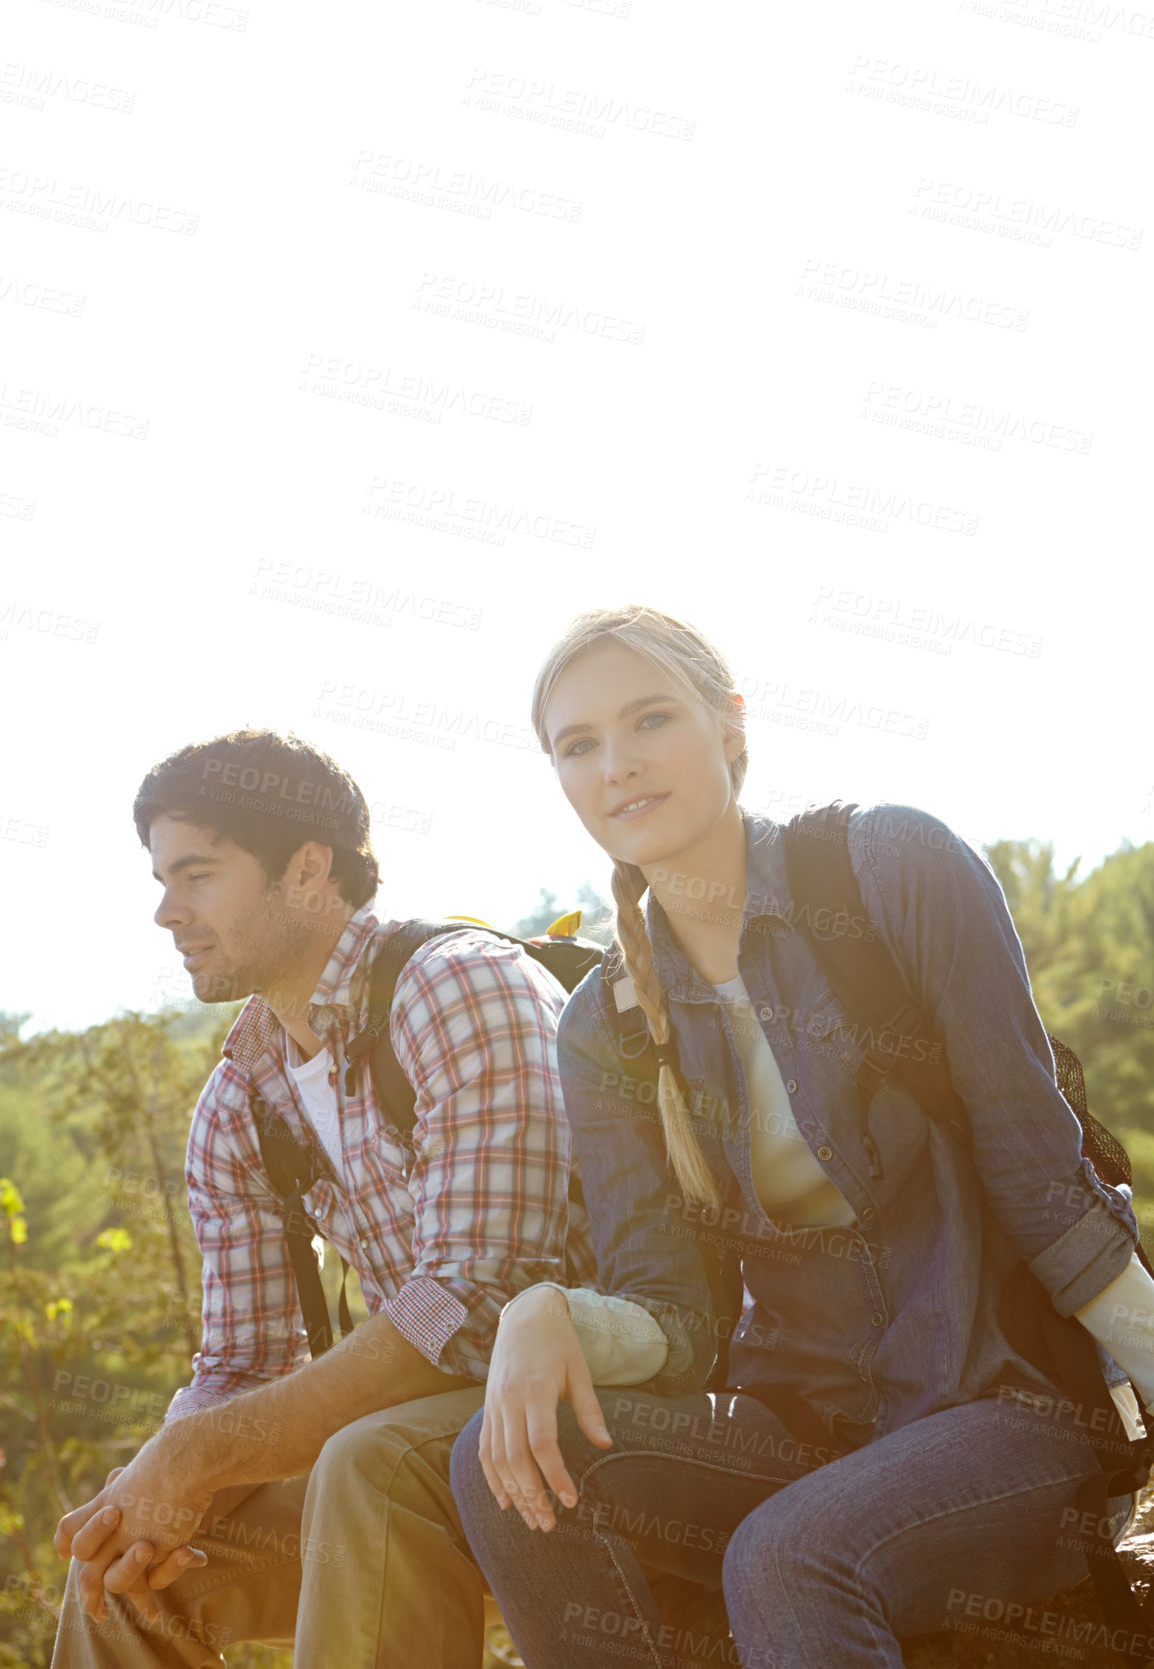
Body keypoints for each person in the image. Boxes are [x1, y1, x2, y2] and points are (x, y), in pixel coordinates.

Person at [449, 605, 1154, 1669]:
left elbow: (1046, 1186)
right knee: (499, 1460)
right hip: (806, 1430)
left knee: (784, 1557)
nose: (618, 765)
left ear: (730, 727)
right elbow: (677, 1318)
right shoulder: (604, 1025)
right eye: (577, 745)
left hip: (1002, 1412)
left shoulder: (889, 868)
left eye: (649, 720)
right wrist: (548, 1316)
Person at [52, 728, 595, 1669]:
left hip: (593, 1410)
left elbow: (471, 1305)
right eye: (160, 881)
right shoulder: (238, 1103)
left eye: (198, 875)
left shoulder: (456, 987)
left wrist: (199, 1458)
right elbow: (242, 1363)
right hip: (423, 1450)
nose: (167, 913)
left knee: (364, 1463)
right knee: (123, 1571)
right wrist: (158, 1484)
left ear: (309, 869)